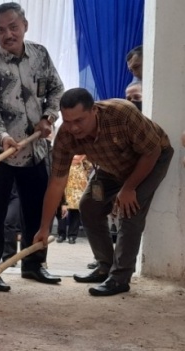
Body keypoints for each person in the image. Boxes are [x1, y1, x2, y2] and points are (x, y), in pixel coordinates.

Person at [34, 88, 173, 296]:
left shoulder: (122, 113)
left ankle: (120, 278)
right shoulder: (65, 135)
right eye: (67, 121)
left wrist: (129, 188)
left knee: (129, 211)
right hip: (110, 166)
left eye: (79, 120)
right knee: (88, 206)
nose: (73, 128)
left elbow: (151, 151)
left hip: (150, 160)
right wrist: (44, 228)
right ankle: (105, 266)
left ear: (94, 111)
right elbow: (57, 182)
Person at [0, 2, 64, 292]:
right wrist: (3, 137)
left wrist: (49, 117)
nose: (8, 34)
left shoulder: (40, 54)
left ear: (24, 25)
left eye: (13, 27)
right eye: (0, 30)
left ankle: (34, 264)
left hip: (36, 149)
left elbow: (56, 89)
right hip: (1, 151)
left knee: (37, 209)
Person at [58, 155, 92, 244]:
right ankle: (61, 234)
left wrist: (83, 157)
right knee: (62, 211)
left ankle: (72, 235)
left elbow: (89, 166)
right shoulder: (65, 160)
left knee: (76, 212)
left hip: (78, 189)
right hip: (65, 186)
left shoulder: (84, 160)